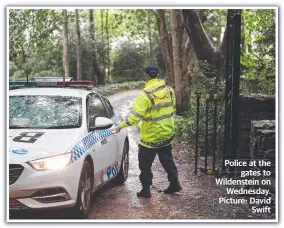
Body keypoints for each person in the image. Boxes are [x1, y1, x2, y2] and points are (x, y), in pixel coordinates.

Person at [115, 65, 182, 198]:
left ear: (146, 76)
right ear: (157, 76)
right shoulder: (169, 90)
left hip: (151, 137)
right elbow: (173, 108)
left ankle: (146, 189)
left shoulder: (145, 95)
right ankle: (174, 183)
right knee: (167, 159)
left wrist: (121, 125)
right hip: (167, 133)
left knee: (144, 163)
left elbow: (134, 118)